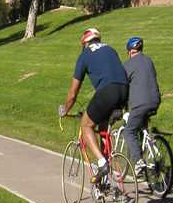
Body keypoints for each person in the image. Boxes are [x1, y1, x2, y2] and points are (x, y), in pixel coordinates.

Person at [60, 28, 128, 183]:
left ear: (84, 43)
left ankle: (103, 163)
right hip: (124, 90)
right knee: (103, 127)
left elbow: (73, 93)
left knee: (86, 125)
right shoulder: (110, 49)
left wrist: (65, 109)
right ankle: (106, 173)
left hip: (107, 91)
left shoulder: (84, 56)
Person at [123, 37, 161, 175]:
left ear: (129, 52)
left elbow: (123, 85)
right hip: (155, 101)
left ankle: (138, 161)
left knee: (128, 131)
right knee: (141, 126)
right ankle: (150, 142)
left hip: (140, 104)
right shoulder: (149, 60)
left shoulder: (128, 65)